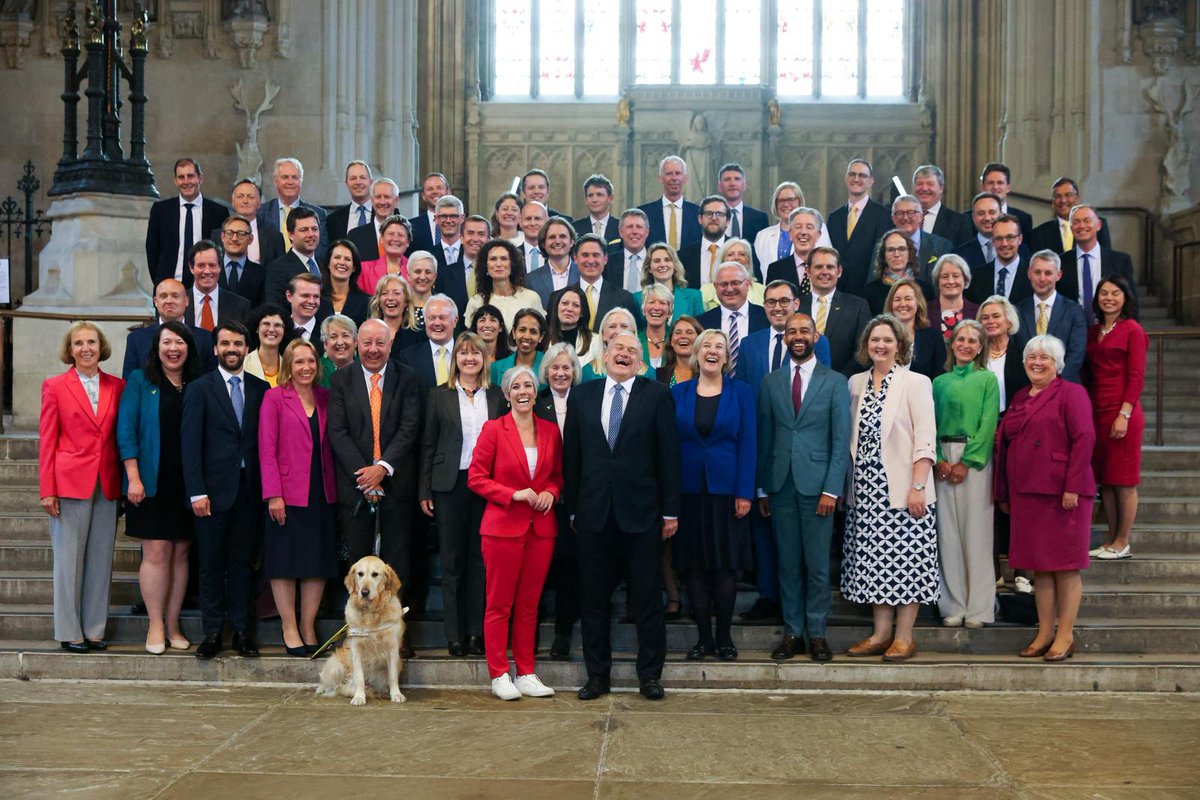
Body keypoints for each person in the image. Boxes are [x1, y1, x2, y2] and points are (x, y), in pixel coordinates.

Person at [564, 331, 681, 701]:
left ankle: (650, 676)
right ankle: (597, 677)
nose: (625, 355)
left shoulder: (658, 395)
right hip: (593, 516)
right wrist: (572, 508)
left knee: (647, 599)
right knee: (594, 601)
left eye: (633, 350)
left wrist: (670, 511)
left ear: (641, 361)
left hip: (642, 516)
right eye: (619, 349)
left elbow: (669, 458)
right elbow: (572, 458)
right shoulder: (582, 396)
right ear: (605, 355)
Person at [842, 315, 939, 662]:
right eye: (874, 340)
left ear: (900, 345)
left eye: (887, 339)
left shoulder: (915, 382)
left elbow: (926, 438)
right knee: (874, 564)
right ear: (866, 346)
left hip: (902, 488)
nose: (880, 345)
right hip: (865, 490)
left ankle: (904, 637)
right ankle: (881, 634)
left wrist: (918, 486)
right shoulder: (854, 383)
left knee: (906, 563)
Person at [995, 335, 1096, 661]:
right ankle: (1043, 632)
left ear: (1058, 364)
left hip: (1062, 494)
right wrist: (1004, 491)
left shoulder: (1071, 393)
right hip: (1027, 493)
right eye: (1032, 357)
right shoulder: (1022, 395)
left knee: (1065, 567)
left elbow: (1084, 438)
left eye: (1045, 358)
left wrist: (1073, 486)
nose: (1037, 362)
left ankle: (1064, 636)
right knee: (1041, 567)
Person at [757, 313, 850, 661]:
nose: (798, 336)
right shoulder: (771, 382)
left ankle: (817, 633)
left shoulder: (834, 381)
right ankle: (792, 632)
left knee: (817, 565)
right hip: (780, 485)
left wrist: (831, 489)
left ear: (815, 335)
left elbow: (840, 440)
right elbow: (766, 437)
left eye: (804, 331)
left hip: (818, 488)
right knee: (788, 563)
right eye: (792, 331)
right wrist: (763, 488)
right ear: (785, 338)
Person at [327, 318, 423, 657]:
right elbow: (337, 432)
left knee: (396, 565)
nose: (372, 349)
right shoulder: (341, 380)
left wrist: (382, 468)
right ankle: (359, 634)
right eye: (366, 342)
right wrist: (364, 475)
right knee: (358, 566)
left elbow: (410, 427)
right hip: (355, 489)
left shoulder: (407, 377)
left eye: (379, 343)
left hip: (396, 484)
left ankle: (396, 635)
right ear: (356, 344)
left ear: (390, 343)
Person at [468, 366, 563, 700]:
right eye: (516, 386)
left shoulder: (550, 431)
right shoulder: (494, 429)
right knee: (499, 604)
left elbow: (557, 475)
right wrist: (513, 494)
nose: (523, 391)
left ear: (536, 392)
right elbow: (476, 478)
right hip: (502, 528)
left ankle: (525, 671)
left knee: (529, 605)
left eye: (529, 385)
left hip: (541, 529)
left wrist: (551, 491)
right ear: (506, 395)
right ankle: (498, 673)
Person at [181, 321, 270, 659]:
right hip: (211, 494)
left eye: (237, 343)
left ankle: (243, 631)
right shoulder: (200, 388)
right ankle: (213, 631)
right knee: (211, 564)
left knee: (244, 563)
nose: (232, 349)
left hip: (250, 491)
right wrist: (196, 492)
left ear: (247, 348)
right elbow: (189, 445)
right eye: (225, 344)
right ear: (215, 349)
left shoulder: (261, 389)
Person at [38, 322, 125, 653]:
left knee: (100, 560)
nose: (86, 348)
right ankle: (69, 630)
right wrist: (48, 488)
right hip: (69, 481)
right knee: (68, 560)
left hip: (106, 481)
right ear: (70, 350)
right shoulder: (55, 386)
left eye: (91, 341)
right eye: (79, 343)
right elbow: (47, 440)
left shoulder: (117, 386)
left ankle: (93, 628)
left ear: (101, 346)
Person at [671, 330, 756, 661]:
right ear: (696, 353)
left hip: (727, 493)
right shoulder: (678, 393)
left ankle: (723, 638)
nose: (712, 351)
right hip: (688, 492)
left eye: (719, 346)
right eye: (706, 345)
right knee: (693, 569)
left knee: (724, 568)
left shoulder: (742, 392)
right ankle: (703, 639)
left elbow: (749, 443)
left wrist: (745, 492)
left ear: (726, 356)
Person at [421, 332, 505, 656]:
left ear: (484, 358)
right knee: (453, 561)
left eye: (475, 353)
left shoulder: (496, 396)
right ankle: (454, 635)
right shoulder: (438, 395)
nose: (469, 359)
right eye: (463, 353)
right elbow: (428, 444)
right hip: (448, 485)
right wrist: (424, 488)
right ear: (455, 359)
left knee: (480, 562)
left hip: (486, 487)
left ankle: (476, 633)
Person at [118, 321, 199, 654]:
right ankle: (154, 624)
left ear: (188, 348)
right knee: (156, 553)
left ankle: (172, 622)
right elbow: (126, 430)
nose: (173, 349)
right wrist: (133, 477)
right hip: (150, 481)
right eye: (167, 342)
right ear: (157, 347)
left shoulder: (196, 383)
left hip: (188, 482)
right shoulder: (140, 381)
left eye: (179, 342)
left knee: (181, 553)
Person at [259, 339, 338, 656]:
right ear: (288, 366)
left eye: (310, 361)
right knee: (285, 563)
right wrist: (273, 494)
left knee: (316, 562)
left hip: (322, 491)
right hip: (287, 494)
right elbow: (266, 450)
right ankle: (289, 626)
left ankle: (307, 625)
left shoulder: (326, 397)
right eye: (298, 362)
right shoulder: (275, 398)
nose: (305, 367)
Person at [932, 320, 1000, 628]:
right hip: (943, 460)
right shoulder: (939, 382)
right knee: (947, 534)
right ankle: (953, 604)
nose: (966, 344)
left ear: (980, 347)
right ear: (952, 343)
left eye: (973, 340)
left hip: (974, 458)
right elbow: (927, 421)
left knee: (976, 533)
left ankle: (979, 608)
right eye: (961, 338)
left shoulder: (987, 380)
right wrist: (936, 458)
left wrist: (968, 461)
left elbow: (988, 425)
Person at [1085, 276, 1148, 560]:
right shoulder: (1095, 330)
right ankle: (1111, 539)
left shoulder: (1132, 330)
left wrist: (1124, 414)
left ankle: (1123, 541)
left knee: (1123, 480)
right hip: (1097, 412)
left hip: (1122, 412)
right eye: (1104, 293)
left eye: (1115, 293)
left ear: (1125, 297)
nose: (1109, 298)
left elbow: (1136, 376)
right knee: (1106, 480)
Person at [978, 295, 1032, 594]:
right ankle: (995, 572)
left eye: (996, 316)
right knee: (991, 500)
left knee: (1017, 500)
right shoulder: (976, 354)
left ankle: (1022, 571)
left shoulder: (1025, 353)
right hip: (985, 431)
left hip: (1017, 430)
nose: (990, 321)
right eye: (985, 317)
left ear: (1009, 321)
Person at [535, 342, 584, 658]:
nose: (561, 372)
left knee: (569, 567)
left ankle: (564, 634)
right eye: (555, 367)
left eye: (567, 367)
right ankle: (532, 630)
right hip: (540, 499)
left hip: (575, 498)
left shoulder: (586, 400)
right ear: (546, 371)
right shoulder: (536, 402)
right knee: (538, 566)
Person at [145, 157, 229, 288]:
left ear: (200, 178)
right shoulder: (160, 210)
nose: (186, 181)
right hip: (170, 286)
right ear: (175, 181)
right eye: (181, 177)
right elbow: (152, 249)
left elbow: (222, 250)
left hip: (206, 286)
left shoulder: (219, 212)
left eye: (190, 176)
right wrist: (160, 281)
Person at [798, 246, 872, 376]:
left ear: (839, 271)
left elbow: (863, 350)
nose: (825, 272)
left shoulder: (857, 307)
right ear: (808, 271)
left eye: (830, 267)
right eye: (819, 267)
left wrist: (837, 380)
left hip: (843, 383)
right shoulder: (795, 305)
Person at [1016, 250, 1088, 383]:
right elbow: (1015, 354)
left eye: (1048, 273)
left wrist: (1053, 386)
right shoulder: (1018, 310)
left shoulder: (1074, 311)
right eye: (1037, 272)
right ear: (1029, 274)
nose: (1042, 278)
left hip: (1063, 389)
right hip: (1026, 389)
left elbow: (1076, 356)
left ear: (1058, 275)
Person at [827, 158, 894, 297]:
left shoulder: (883, 215)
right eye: (852, 174)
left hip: (869, 293)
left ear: (871, 181)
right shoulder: (834, 217)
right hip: (838, 292)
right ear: (846, 178)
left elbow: (881, 257)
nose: (856, 179)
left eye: (862, 175)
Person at [464, 239, 544, 328]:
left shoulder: (531, 298)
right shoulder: (476, 301)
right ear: (485, 266)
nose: (498, 264)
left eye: (504, 259)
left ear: (512, 264)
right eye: (493, 259)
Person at [883, 278, 946, 381]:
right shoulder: (880, 335)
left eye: (908, 299)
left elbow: (939, 378)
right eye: (897, 299)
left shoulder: (933, 337)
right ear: (891, 304)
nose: (903, 304)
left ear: (918, 303)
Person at [863, 230, 934, 315]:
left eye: (902, 249)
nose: (896, 254)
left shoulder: (925, 290)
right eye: (891, 250)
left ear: (910, 254)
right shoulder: (870, 292)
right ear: (883, 256)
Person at [634, 243, 705, 322]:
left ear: (674, 266)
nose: (663, 264)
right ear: (649, 268)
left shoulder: (694, 296)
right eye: (657, 261)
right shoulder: (637, 298)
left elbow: (700, 330)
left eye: (667, 260)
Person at [525, 216, 579, 307]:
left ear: (571, 242)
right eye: (552, 237)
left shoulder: (584, 275)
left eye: (562, 236)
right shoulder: (530, 280)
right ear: (543, 244)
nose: (557, 241)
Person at [369, 274, 425, 357]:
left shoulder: (418, 335)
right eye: (385, 293)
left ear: (406, 300)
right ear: (379, 300)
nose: (390, 298)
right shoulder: (368, 331)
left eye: (397, 293)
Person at [490, 308, 547, 387]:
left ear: (541, 336)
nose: (527, 336)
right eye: (522, 330)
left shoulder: (549, 365)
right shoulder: (496, 368)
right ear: (514, 333)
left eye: (533, 332)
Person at [927, 254, 978, 342]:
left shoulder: (978, 312)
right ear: (937, 280)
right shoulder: (924, 312)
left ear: (965, 279)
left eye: (956, 276)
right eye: (945, 276)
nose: (950, 281)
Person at [357, 215, 412, 295]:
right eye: (391, 234)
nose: (395, 239)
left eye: (400, 235)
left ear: (408, 242)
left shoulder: (415, 270)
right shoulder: (364, 269)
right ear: (381, 239)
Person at [243, 304, 294, 388]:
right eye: (266, 324)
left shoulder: (291, 367)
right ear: (257, 328)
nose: (271, 330)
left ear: (284, 331)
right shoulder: (243, 364)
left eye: (277, 325)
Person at [321, 239, 370, 326]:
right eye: (337, 257)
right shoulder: (317, 298)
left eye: (347, 259)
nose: (342, 262)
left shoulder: (366, 302)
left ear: (354, 267)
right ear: (328, 263)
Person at [582, 307, 639, 381]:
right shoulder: (588, 371)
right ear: (603, 335)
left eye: (624, 326)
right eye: (612, 326)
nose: (618, 331)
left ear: (633, 333)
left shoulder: (647, 372)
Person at [545, 285, 594, 356]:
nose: (569, 309)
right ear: (557, 307)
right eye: (565, 303)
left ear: (582, 312)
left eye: (576, 305)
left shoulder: (594, 342)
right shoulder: (544, 340)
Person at [657, 315, 702, 387]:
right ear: (671, 341)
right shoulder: (658, 375)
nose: (683, 336)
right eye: (678, 332)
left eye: (689, 332)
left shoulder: (708, 373)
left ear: (700, 340)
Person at [637, 284, 674, 369]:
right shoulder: (635, 340)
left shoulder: (675, 340)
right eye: (651, 302)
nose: (657, 307)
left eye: (662, 303)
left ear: (669, 312)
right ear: (643, 310)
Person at [319, 314, 358, 385]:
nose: (340, 342)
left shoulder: (366, 366)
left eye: (345, 336)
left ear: (355, 341)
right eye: (333, 337)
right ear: (325, 343)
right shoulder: (317, 368)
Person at [407, 250, 439, 330]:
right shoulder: (401, 306)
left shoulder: (443, 306)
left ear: (435, 276)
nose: (422, 277)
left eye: (428, 272)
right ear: (408, 275)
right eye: (417, 272)